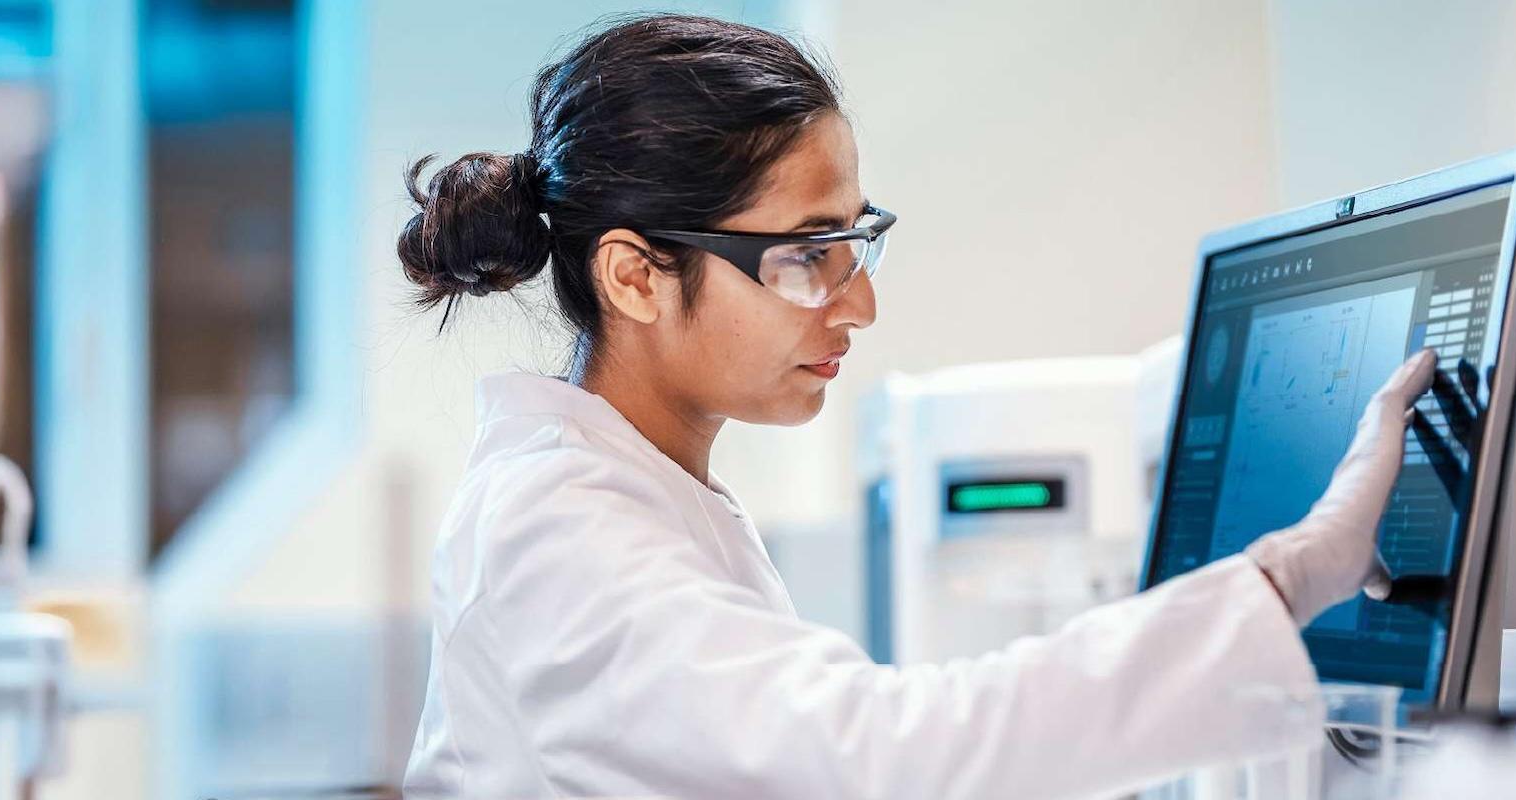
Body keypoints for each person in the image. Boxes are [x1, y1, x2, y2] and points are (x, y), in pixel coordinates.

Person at [394, 14, 1437, 799]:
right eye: (806, 253)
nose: (860, 300)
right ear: (634, 277)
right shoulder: (556, 527)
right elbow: (881, 752)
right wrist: (1289, 574)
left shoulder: (642, 495)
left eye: (859, 239)